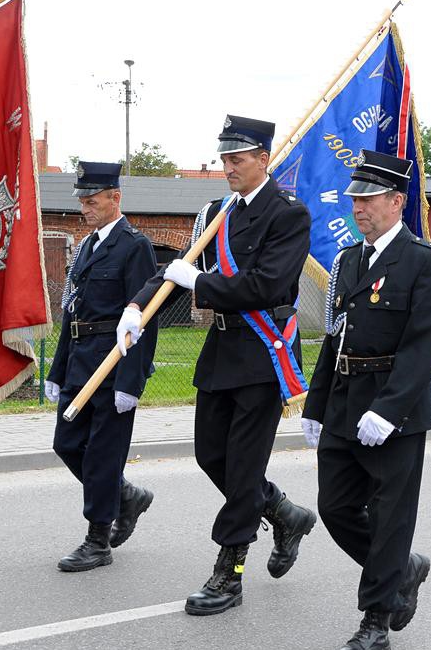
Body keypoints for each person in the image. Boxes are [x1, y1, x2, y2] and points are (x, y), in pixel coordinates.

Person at [116, 114, 317, 616]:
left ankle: (229, 572)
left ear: (262, 159)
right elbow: (177, 267)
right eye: (224, 157)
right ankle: (281, 512)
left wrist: (198, 285)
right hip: (221, 354)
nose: (228, 165)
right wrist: (138, 306)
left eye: (238, 158)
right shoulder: (216, 212)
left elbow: (266, 285)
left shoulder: (287, 215)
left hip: (262, 357)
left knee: (244, 468)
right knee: (211, 455)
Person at [301, 149, 431, 650]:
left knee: (389, 519)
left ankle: (375, 625)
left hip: (396, 413)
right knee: (336, 508)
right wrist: (315, 405)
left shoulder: (424, 261)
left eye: (367, 199)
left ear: (395, 201)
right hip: (344, 402)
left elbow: (426, 344)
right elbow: (333, 338)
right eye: (354, 199)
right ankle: (401, 570)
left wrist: (389, 409)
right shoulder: (347, 260)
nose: (358, 207)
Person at [45, 161, 158, 571]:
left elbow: (145, 318)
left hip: (113, 367)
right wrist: (56, 370)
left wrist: (132, 381)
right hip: (79, 362)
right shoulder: (89, 245)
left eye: (92, 201)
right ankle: (125, 496)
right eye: (82, 201)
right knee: (67, 443)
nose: (85, 208)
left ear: (116, 198)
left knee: (102, 456)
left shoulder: (134, 245)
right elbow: (71, 312)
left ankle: (98, 540)